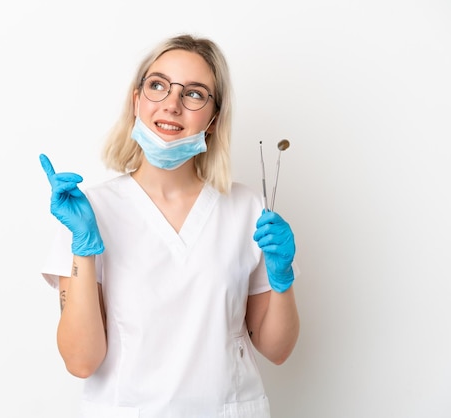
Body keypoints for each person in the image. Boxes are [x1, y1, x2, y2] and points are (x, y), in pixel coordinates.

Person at [39, 33, 300, 418]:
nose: (172, 105)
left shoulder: (247, 209)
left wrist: (283, 279)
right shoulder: (87, 211)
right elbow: (81, 361)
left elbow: (277, 350)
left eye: (194, 94)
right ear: (136, 101)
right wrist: (83, 247)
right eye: (157, 86)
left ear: (214, 119)